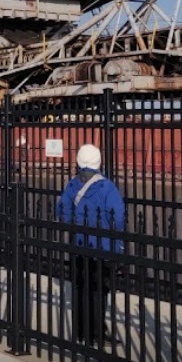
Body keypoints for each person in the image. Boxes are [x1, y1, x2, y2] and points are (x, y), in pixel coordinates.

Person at [58, 143, 125, 348]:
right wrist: (118, 243)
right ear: (99, 161)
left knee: (79, 288)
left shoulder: (72, 184)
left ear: (78, 161)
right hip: (102, 247)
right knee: (99, 290)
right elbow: (118, 216)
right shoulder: (106, 186)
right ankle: (96, 333)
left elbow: (62, 211)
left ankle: (80, 331)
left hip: (79, 245)